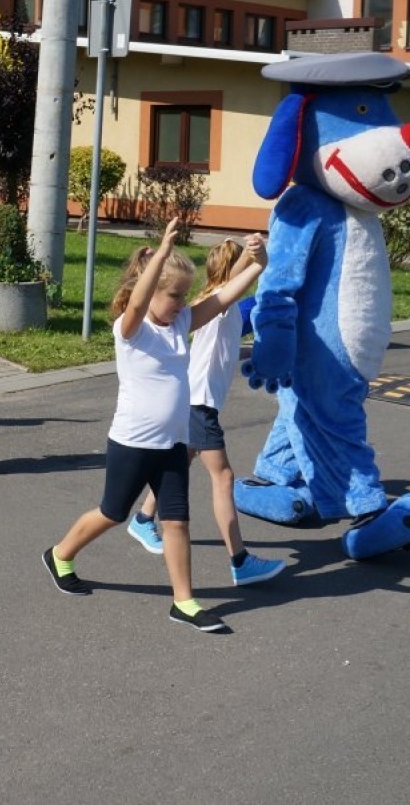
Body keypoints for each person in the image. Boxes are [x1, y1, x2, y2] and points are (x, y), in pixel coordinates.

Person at [42, 217, 266, 632]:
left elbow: (228, 294)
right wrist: (161, 253)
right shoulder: (130, 330)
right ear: (147, 292)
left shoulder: (181, 324)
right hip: (131, 443)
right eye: (175, 295)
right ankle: (59, 554)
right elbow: (136, 303)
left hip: (172, 446)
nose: (182, 303)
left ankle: (185, 601)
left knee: (177, 521)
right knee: (112, 512)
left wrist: (257, 259)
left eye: (184, 295)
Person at [125, 236, 285, 587]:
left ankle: (142, 519)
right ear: (231, 271)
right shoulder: (218, 303)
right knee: (224, 477)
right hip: (199, 404)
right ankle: (240, 561)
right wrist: (253, 256)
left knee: (180, 462)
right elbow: (231, 281)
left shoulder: (212, 304)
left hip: (197, 401)